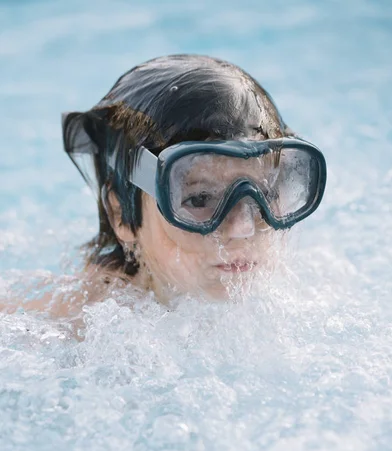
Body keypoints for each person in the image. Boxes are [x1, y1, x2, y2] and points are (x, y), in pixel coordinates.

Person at [2, 54, 326, 316]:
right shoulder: (78, 322)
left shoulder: (312, 291)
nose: (243, 227)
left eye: (265, 192)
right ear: (121, 215)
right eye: (200, 199)